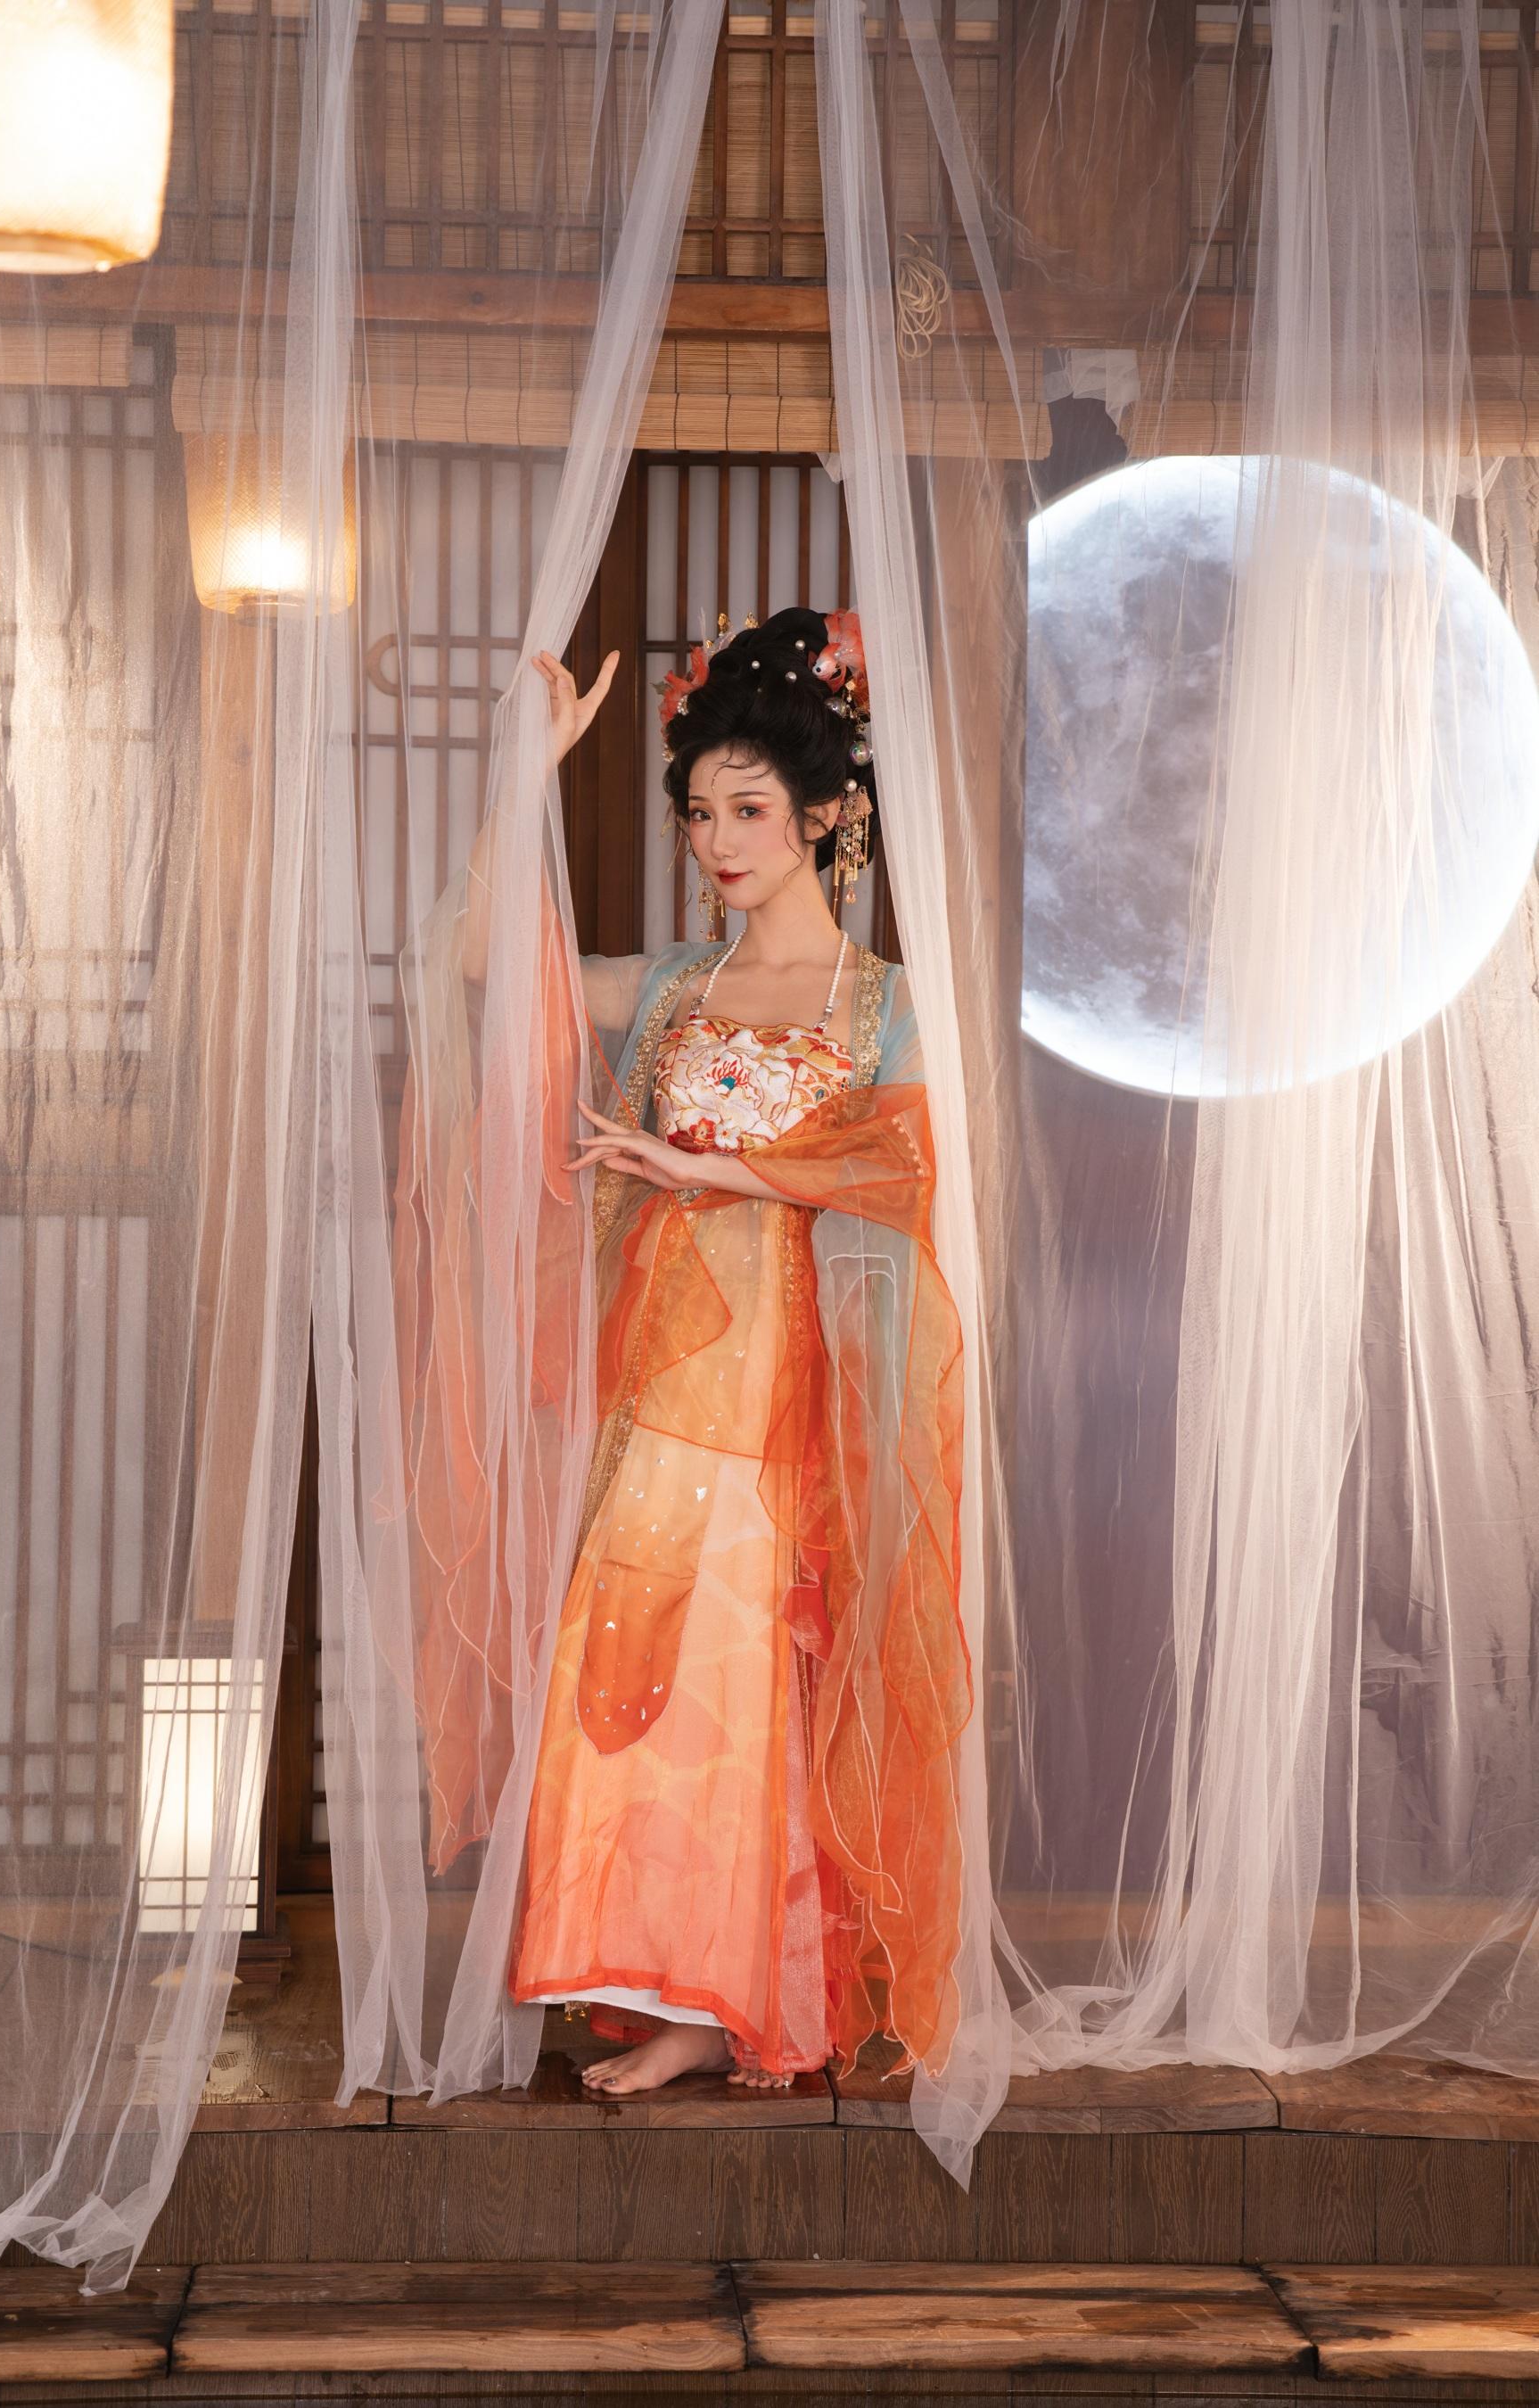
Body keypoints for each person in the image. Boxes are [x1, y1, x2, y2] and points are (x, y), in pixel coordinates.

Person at [490, 605, 976, 2097]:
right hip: (663, 1380)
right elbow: (477, 966)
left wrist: (710, 1167)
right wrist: (527, 777)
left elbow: (901, 1179)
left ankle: (736, 1995)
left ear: (826, 815)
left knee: (755, 1669)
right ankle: (659, 1977)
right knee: (634, 1662)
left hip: (793, 1391)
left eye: (749, 809)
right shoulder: (675, 993)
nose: (717, 840)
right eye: (700, 812)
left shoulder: (885, 1005)